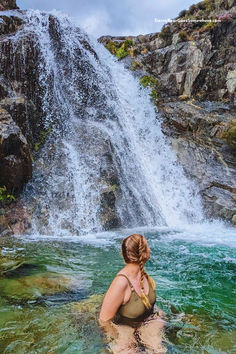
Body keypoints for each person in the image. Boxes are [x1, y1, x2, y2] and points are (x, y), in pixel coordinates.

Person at [99, 233, 167, 353]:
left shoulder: (144, 276)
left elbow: (146, 304)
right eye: (147, 246)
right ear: (143, 253)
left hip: (147, 323)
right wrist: (119, 338)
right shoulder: (121, 282)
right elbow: (104, 320)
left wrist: (159, 315)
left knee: (158, 351)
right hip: (123, 327)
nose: (150, 249)